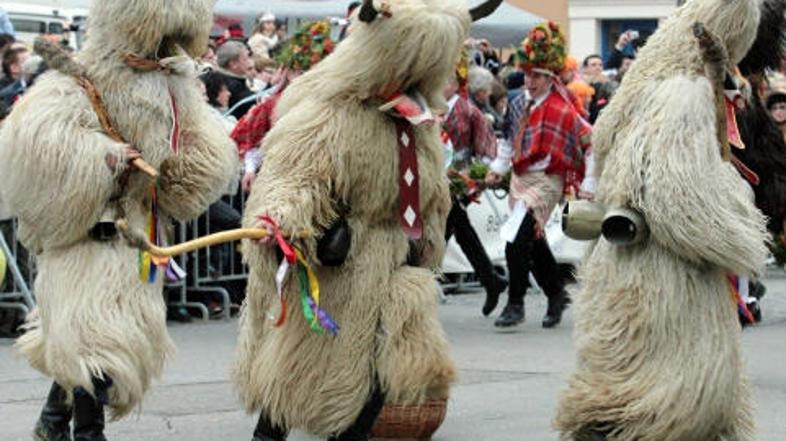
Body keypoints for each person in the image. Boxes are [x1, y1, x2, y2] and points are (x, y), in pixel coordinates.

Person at [233, 2, 503, 441]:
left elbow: (434, 193)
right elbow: (296, 178)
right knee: (300, 363)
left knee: (380, 374)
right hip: (341, 264)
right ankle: (269, 434)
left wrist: (428, 242)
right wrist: (282, 220)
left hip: (396, 268)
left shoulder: (419, 119)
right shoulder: (332, 111)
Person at [0, 1, 237, 439]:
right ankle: (88, 433)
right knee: (97, 341)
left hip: (137, 238)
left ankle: (53, 422)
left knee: (103, 341)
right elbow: (35, 147)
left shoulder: (173, 87)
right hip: (87, 236)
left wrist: (199, 163)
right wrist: (104, 156)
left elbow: (193, 148)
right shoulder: (77, 82)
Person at [555, 0, 770, 438]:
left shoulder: (645, 87)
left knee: (631, 381)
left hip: (626, 265)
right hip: (667, 274)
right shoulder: (682, 92)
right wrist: (742, 235)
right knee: (662, 396)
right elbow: (679, 194)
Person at [485, 21, 591, 329]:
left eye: (537, 76)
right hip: (520, 179)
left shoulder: (563, 109)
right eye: (528, 74)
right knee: (533, 238)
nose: (529, 81)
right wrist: (496, 170)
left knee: (515, 238)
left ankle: (515, 303)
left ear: (550, 78)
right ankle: (556, 293)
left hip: (547, 180)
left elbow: (590, 142)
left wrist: (589, 183)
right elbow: (506, 139)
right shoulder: (518, 101)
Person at [231, 21, 336, 193]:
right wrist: (250, 169)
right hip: (278, 181)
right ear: (287, 73)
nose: (303, 78)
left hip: (322, 184)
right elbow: (255, 140)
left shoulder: (331, 106)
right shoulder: (271, 104)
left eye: (310, 72)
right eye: (299, 72)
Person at [442, 58, 508, 316]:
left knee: (447, 228)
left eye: (445, 80)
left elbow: (486, 145)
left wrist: (480, 175)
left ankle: (421, 280)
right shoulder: (431, 108)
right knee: (458, 229)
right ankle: (490, 279)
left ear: (455, 83)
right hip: (440, 176)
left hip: (459, 178)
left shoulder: (468, 111)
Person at [215, 40, 255, 119]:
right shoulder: (231, 85)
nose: (250, 63)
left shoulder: (229, 79)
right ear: (233, 64)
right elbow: (251, 102)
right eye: (246, 59)